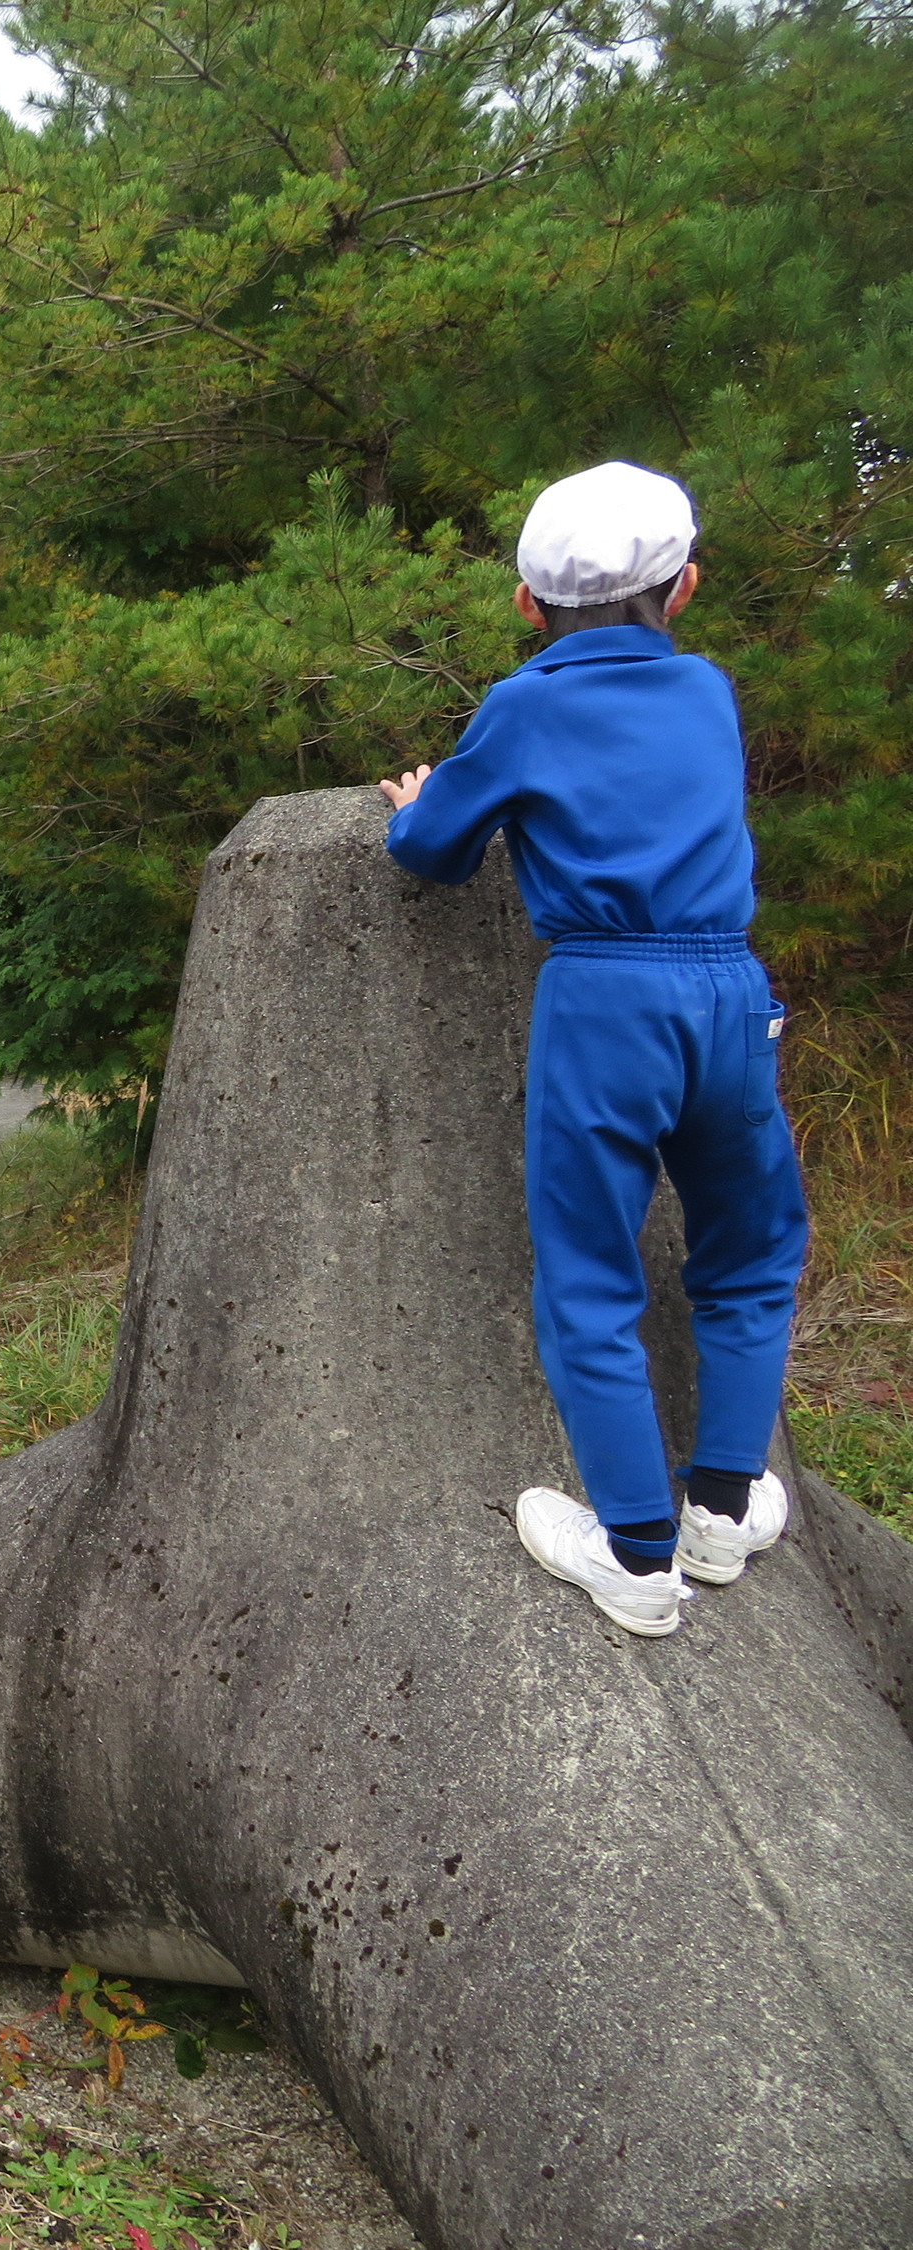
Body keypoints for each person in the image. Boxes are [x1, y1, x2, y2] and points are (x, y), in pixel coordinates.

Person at [380, 461, 806, 1638]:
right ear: (687, 588)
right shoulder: (710, 692)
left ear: (527, 607)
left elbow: (432, 854)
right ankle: (723, 1503)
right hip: (729, 987)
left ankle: (633, 1551)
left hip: (607, 999)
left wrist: (422, 802)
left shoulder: (522, 707)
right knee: (753, 1244)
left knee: (589, 1273)